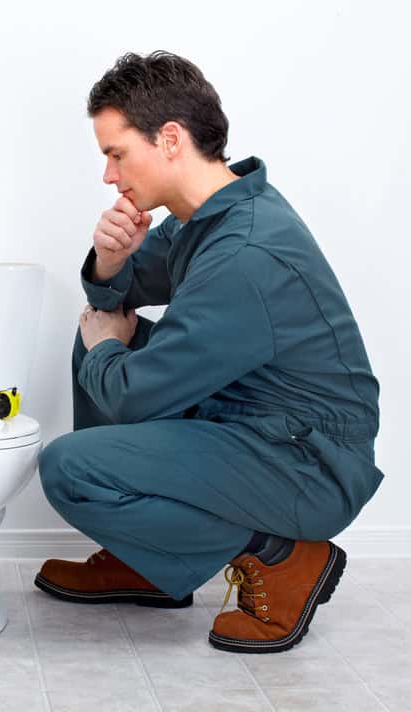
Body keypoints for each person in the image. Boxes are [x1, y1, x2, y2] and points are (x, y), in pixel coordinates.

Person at [34, 50, 384, 654]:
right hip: (250, 424)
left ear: (170, 139)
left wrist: (106, 349)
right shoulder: (208, 218)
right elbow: (121, 293)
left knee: (70, 467)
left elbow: (135, 396)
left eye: (116, 154)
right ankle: (144, 562)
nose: (109, 176)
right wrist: (113, 260)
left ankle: (282, 556)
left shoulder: (246, 251)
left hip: (306, 461)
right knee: (95, 337)